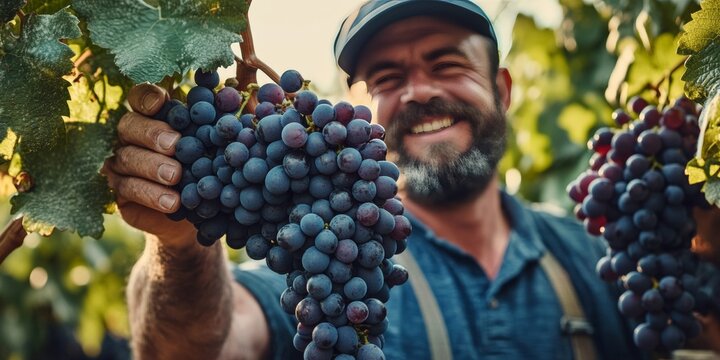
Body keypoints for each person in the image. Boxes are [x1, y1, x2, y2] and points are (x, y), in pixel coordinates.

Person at [104, 0, 641, 359]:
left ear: (502, 88)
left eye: (447, 63)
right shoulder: (324, 255)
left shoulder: (598, 260)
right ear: (360, 115)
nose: (417, 92)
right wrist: (179, 249)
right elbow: (195, 348)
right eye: (388, 77)